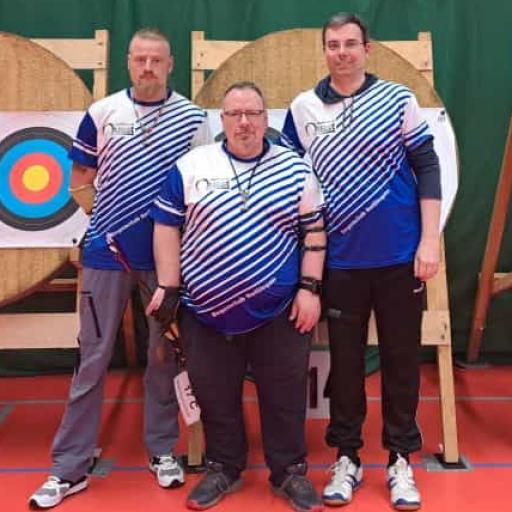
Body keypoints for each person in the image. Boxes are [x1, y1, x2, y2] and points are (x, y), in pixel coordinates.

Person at [28, 28, 209, 509]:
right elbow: (79, 179)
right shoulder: (102, 112)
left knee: (162, 357)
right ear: (129, 63)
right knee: (92, 358)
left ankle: (161, 450)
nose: (148, 67)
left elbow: (200, 185)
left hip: (167, 260)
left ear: (170, 64)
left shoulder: (193, 119)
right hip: (105, 257)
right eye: (140, 59)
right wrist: (107, 226)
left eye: (156, 60)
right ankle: (69, 466)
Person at [281, 13, 442, 511]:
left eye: (351, 44)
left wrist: (429, 241)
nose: (342, 52)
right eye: (333, 44)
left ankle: (400, 459)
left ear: (367, 49)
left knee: (401, 361)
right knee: (346, 365)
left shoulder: (397, 99)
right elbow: (287, 179)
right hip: (340, 262)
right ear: (324, 50)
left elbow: (427, 165)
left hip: (399, 257)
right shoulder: (303, 108)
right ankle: (347, 457)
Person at [147, 81, 326, 512]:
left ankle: (289, 471)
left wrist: (310, 289)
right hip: (204, 311)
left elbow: (315, 233)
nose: (244, 122)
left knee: (284, 395)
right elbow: (166, 226)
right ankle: (223, 467)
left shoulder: (296, 169)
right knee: (214, 394)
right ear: (222, 120)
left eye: (253, 113)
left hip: (280, 311)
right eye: (234, 114)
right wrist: (168, 286)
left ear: (265, 118)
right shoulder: (191, 166)